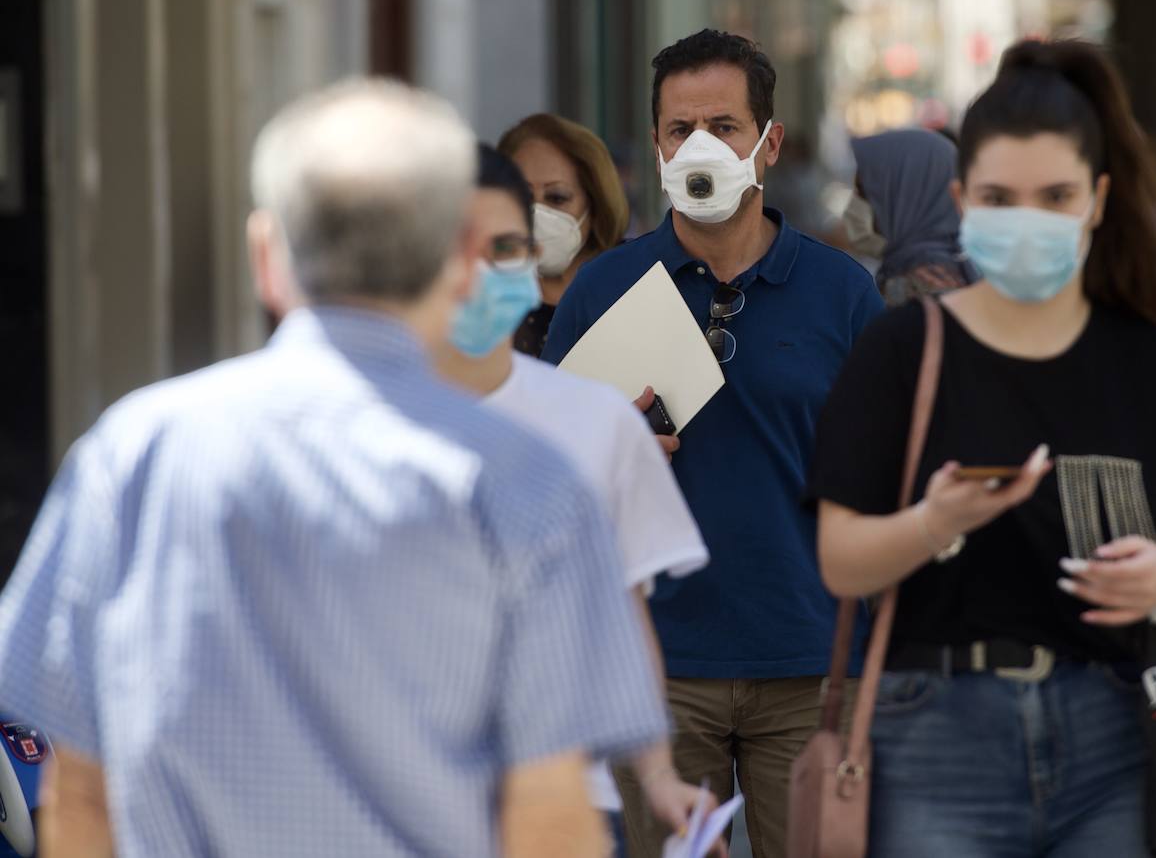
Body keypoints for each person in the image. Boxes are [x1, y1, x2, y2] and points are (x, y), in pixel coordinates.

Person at [0, 79, 668, 857]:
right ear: (460, 260)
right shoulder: (530, 485)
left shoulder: (128, 456)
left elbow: (77, 794)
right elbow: (552, 817)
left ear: (265, 255)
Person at [809, 39, 1156, 856]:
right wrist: (932, 522)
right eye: (999, 196)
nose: (1028, 220)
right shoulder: (901, 351)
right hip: (933, 735)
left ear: (1097, 199)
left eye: (1055, 195)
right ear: (961, 200)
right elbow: (841, 560)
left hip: (1122, 732)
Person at [543, 29, 885, 857]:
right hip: (656, 668)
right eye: (678, 128)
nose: (699, 146)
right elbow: (547, 482)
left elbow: (881, 478)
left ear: (767, 143)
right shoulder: (604, 289)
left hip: (809, 664)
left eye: (724, 127)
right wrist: (611, 458)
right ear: (656, 143)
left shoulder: (841, 292)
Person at [437, 144, 719, 857]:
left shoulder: (598, 419)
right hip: (404, 799)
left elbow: (625, 611)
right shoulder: (350, 423)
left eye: (505, 248)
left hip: (568, 802)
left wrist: (657, 774)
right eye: (459, 247)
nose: (482, 271)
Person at [498, 113, 631, 358]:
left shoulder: (634, 289)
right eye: (522, 196)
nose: (537, 213)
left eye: (557, 197)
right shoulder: (482, 301)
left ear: (596, 205)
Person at [840, 128, 974, 304]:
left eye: (864, 193)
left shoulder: (919, 287)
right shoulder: (941, 270)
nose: (855, 205)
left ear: (906, 197)